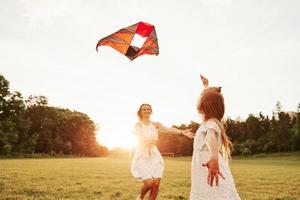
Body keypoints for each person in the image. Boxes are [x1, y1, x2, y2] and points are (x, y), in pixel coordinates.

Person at [190, 75, 240, 200]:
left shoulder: (211, 125)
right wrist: (206, 86)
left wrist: (213, 156)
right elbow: (208, 99)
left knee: (216, 195)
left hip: (210, 165)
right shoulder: (211, 122)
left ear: (202, 106)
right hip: (204, 168)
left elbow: (210, 137)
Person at [131, 103, 194, 200]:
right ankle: (141, 197)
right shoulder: (138, 125)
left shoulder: (156, 124)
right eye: (144, 109)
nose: (147, 111)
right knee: (149, 183)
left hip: (154, 155)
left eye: (148, 109)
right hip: (142, 154)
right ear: (140, 112)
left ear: (151, 111)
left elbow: (168, 129)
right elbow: (140, 136)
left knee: (156, 184)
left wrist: (182, 132)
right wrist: (147, 140)